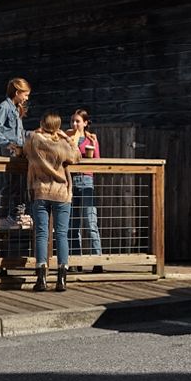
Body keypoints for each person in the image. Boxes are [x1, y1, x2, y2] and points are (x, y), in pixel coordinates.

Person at [24, 111, 81, 292]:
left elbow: (24, 149)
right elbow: (77, 156)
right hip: (61, 193)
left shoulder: (34, 140)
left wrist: (37, 131)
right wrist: (67, 137)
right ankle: (61, 278)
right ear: (58, 126)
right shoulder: (63, 144)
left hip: (41, 191)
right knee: (62, 234)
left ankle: (41, 277)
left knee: (41, 234)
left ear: (42, 123)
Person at [0, 78, 33, 230]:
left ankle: (17, 215)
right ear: (17, 92)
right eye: (25, 95)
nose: (26, 98)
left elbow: (20, 133)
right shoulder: (4, 107)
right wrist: (7, 144)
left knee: (19, 185)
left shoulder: (16, 109)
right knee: (9, 185)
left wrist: (34, 134)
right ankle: (3, 218)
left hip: (20, 154)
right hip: (10, 154)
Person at [67, 109, 104, 273]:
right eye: (73, 121)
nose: (74, 124)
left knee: (90, 222)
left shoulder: (91, 139)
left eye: (78, 121)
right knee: (72, 224)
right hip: (70, 180)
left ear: (85, 123)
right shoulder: (67, 137)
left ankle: (97, 261)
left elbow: (97, 161)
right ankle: (76, 261)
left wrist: (88, 155)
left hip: (86, 180)